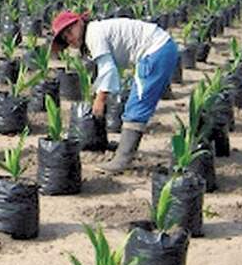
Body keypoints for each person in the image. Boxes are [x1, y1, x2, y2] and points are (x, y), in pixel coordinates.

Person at [50, 11, 179, 172]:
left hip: (155, 51)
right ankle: (124, 151)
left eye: (70, 31)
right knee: (142, 93)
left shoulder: (93, 35)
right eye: (65, 37)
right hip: (162, 47)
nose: (70, 38)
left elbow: (108, 69)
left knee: (137, 104)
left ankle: (122, 159)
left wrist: (100, 99)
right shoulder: (94, 31)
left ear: (79, 23)